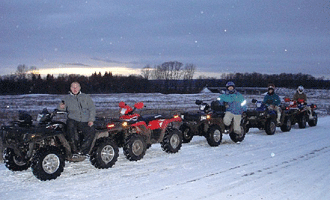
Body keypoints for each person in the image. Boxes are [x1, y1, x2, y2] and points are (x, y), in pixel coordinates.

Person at [58, 82, 96, 156]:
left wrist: (91, 120)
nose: (75, 89)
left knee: (91, 131)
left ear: (80, 88)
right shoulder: (66, 98)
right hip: (73, 120)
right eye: (73, 87)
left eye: (76, 87)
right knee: (71, 131)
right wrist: (61, 107)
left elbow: (92, 108)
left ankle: (83, 151)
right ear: (70, 88)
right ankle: (74, 150)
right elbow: (62, 108)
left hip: (84, 120)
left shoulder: (86, 97)